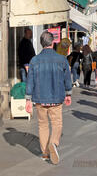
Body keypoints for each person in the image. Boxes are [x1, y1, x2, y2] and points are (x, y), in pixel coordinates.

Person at [25, 31, 72, 164]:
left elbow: (30, 81)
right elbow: (67, 79)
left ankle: (45, 153)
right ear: (53, 43)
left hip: (40, 98)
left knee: (43, 125)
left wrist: (28, 99)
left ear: (41, 43)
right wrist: (68, 94)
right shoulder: (61, 59)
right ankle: (53, 143)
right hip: (56, 98)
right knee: (57, 123)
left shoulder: (34, 61)